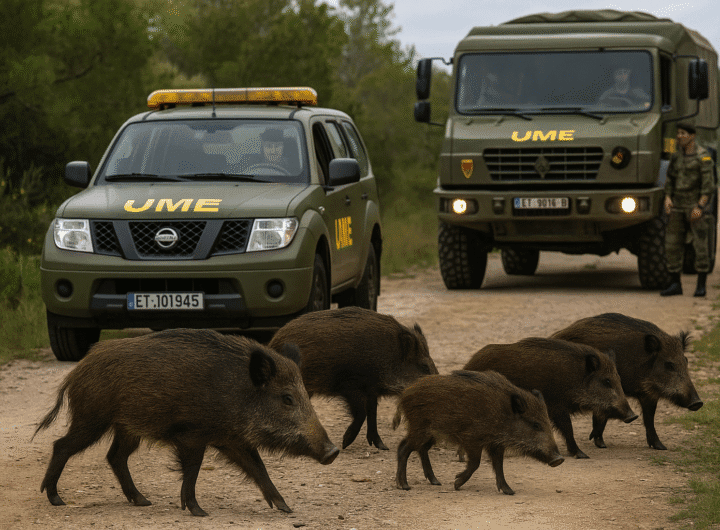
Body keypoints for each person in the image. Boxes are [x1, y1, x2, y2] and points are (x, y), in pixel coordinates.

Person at [660, 122, 715, 297]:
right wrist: (668, 197)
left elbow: (709, 186)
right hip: (677, 207)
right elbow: (670, 179)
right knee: (672, 245)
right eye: (678, 133)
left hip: (694, 207)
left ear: (692, 136)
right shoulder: (676, 157)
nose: (679, 136)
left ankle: (701, 285)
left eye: (683, 133)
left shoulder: (703, 157)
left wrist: (700, 206)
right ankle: (675, 283)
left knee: (700, 246)